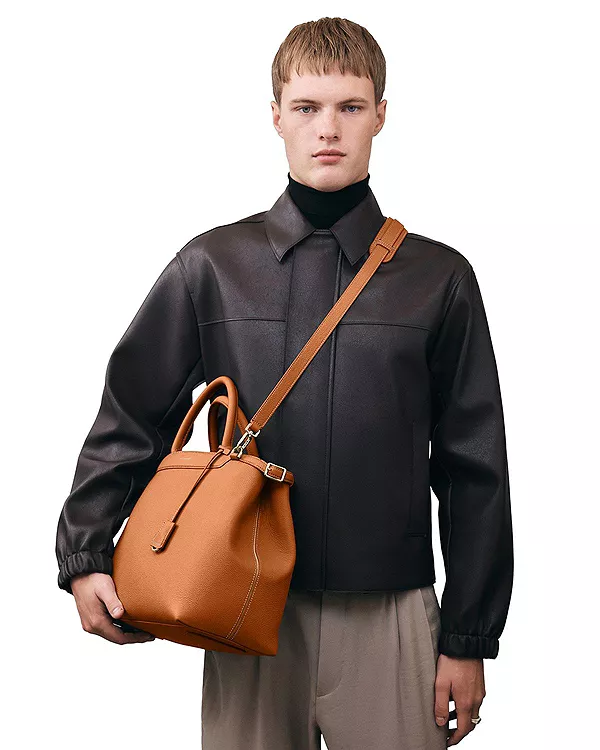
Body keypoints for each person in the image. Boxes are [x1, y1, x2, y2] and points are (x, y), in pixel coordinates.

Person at [55, 16, 514, 750]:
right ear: (276, 116)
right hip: (239, 605)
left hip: (391, 617)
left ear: (381, 115)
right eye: (306, 107)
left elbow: (473, 468)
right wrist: (85, 554)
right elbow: (131, 414)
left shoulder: (439, 278)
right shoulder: (211, 266)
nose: (327, 128)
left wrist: (468, 637)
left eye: (349, 106)